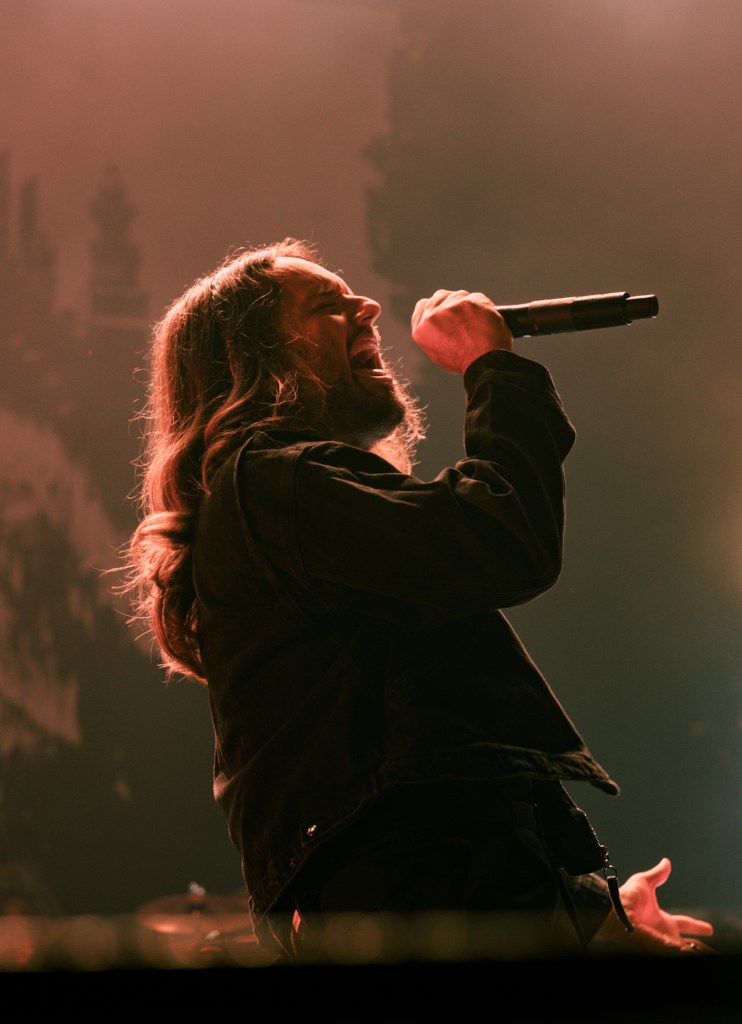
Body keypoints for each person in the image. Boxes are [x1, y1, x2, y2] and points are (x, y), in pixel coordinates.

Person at [124, 238, 713, 962]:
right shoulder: (270, 485)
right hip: (419, 908)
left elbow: (432, 779)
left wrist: (590, 913)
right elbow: (502, 539)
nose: (368, 308)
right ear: (257, 358)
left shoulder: (284, 505)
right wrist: (492, 367)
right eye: (326, 306)